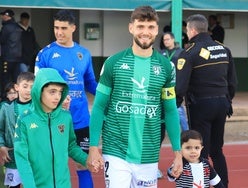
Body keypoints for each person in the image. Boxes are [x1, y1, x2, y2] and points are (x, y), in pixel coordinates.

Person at [86, 5, 183, 188]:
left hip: (149, 152)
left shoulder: (166, 68)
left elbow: (170, 111)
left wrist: (177, 152)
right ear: (131, 28)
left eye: (150, 27)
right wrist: (93, 147)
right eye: (140, 26)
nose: (145, 32)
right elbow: (98, 106)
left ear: (156, 30)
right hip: (115, 149)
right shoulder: (113, 63)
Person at [35, 9, 97, 188]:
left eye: (63, 28)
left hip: (81, 120)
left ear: (73, 28)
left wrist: (109, 94)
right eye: (56, 27)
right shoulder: (45, 54)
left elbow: (90, 82)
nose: (59, 32)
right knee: (53, 166)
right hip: (53, 120)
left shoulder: (83, 53)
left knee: (83, 164)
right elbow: (38, 88)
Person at [175, 14, 237, 188]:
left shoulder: (188, 53)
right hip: (222, 105)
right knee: (217, 151)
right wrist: (226, 101)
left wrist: (173, 107)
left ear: (192, 30)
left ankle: (199, 184)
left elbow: (180, 88)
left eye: (187, 30)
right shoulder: (224, 49)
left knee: (200, 152)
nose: (187, 33)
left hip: (200, 107)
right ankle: (222, 185)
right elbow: (233, 83)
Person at [14, 68, 88, 188]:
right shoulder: (24, 119)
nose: (57, 97)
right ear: (39, 91)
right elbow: (22, 158)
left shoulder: (65, 116)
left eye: (60, 92)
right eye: (52, 92)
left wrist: (87, 160)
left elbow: (71, 146)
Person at [0, 71, 35, 188]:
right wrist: (2, 145)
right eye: (25, 86)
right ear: (17, 87)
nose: (29, 90)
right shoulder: (6, 109)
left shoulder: (38, 109)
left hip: (33, 158)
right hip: (13, 157)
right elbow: (0, 129)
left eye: (32, 87)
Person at [160, 31, 188, 131]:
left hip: (176, 85)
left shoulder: (181, 52)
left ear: (173, 39)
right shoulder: (161, 53)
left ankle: (186, 132)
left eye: (167, 39)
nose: (166, 41)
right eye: (164, 40)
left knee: (178, 109)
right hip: (163, 85)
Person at [0, 9, 22, 99]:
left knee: (5, 78)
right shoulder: (17, 26)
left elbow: (2, 40)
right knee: (15, 78)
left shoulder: (6, 27)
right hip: (17, 58)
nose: (2, 17)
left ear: (7, 16)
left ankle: (6, 97)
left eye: (3, 15)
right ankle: (15, 97)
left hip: (7, 57)